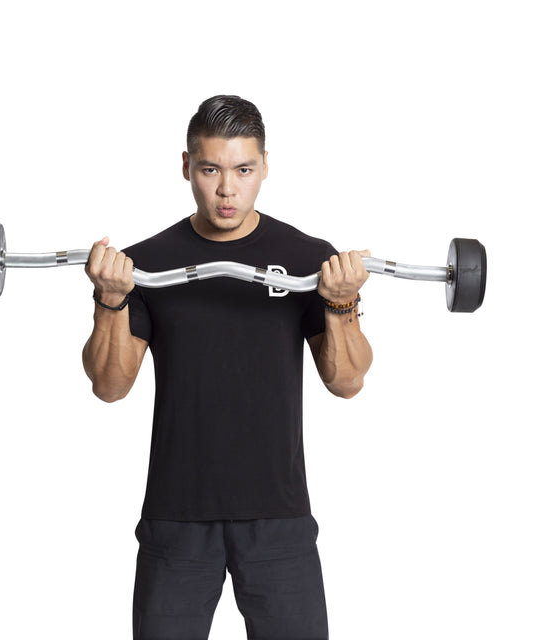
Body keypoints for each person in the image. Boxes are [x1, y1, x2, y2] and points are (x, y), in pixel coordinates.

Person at [82, 95, 373, 640]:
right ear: (187, 166)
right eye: (211, 169)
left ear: (265, 167)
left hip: (279, 517)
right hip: (176, 517)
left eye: (244, 170)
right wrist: (112, 300)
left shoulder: (311, 259)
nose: (226, 189)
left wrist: (339, 303)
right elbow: (109, 385)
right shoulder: (145, 264)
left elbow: (348, 381)